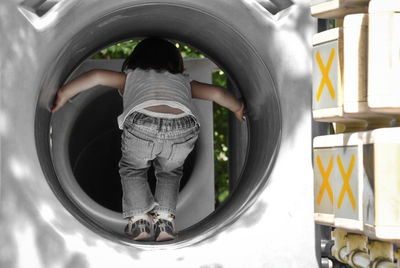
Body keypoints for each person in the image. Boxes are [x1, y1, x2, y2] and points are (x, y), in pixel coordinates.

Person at [52, 37, 246, 242]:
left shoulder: (130, 77)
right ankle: (164, 223)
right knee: (171, 172)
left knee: (133, 169)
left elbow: (97, 76)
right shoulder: (184, 82)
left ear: (135, 61)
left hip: (142, 123)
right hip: (183, 127)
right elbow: (216, 92)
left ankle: (140, 223)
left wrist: (64, 93)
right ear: (176, 63)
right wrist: (237, 107)